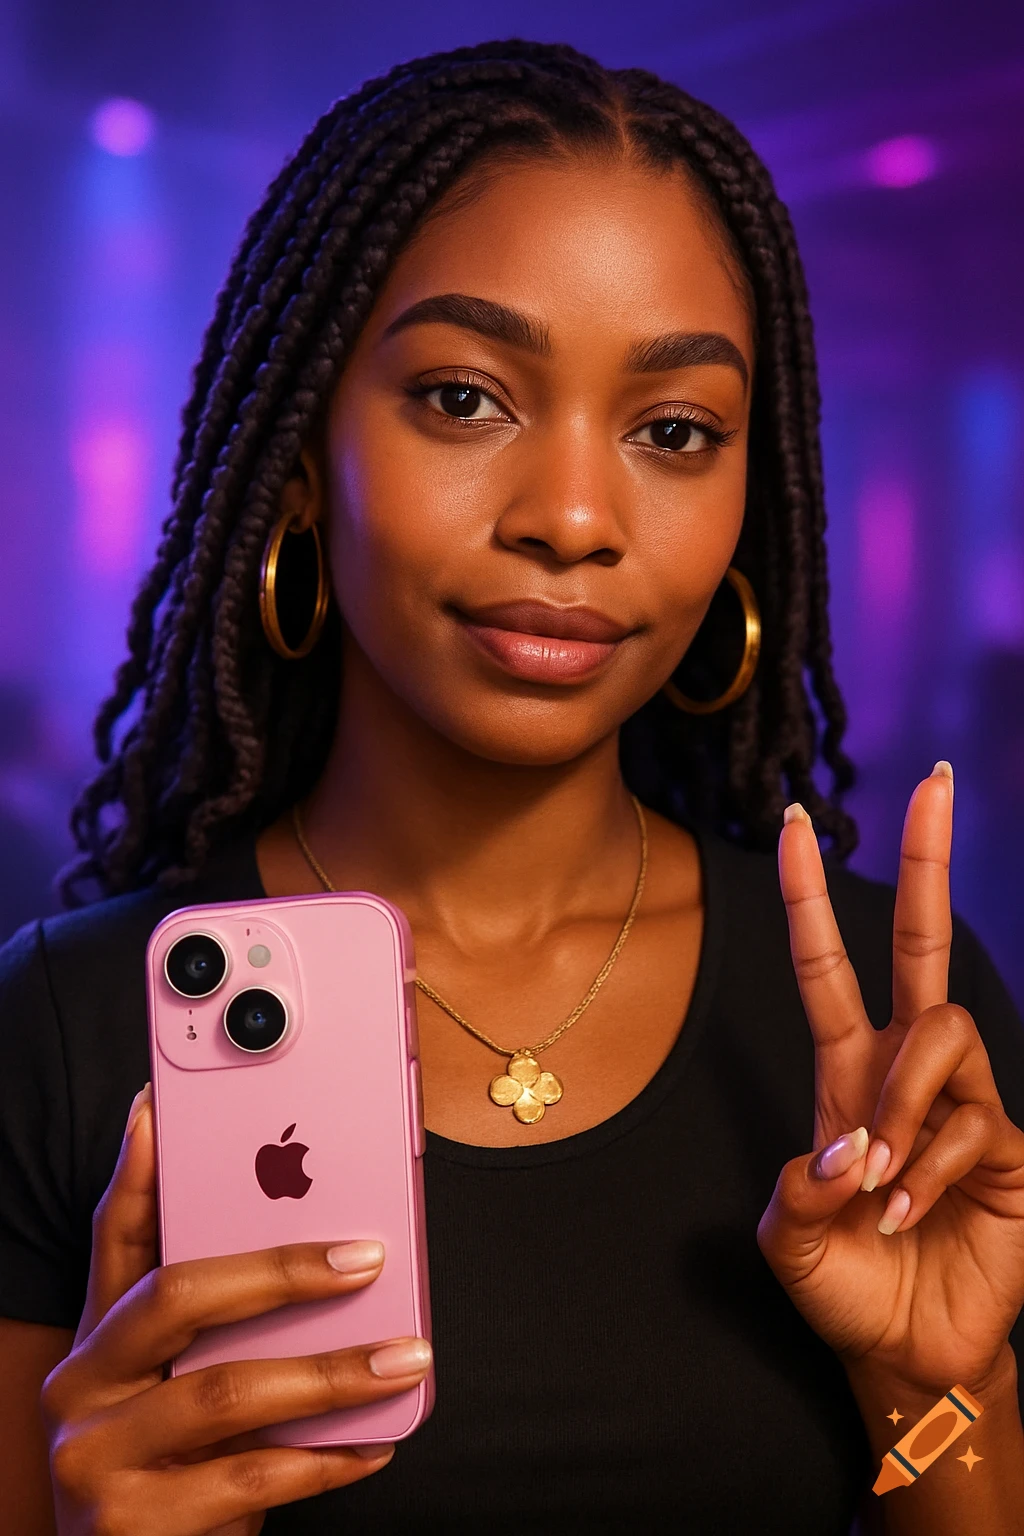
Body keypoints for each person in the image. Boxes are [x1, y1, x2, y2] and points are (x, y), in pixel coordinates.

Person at [1, 39, 1023, 1536]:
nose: (572, 517)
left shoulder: (888, 1033)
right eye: (465, 398)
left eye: (674, 432)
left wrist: (947, 1394)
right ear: (300, 454)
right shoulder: (67, 1034)